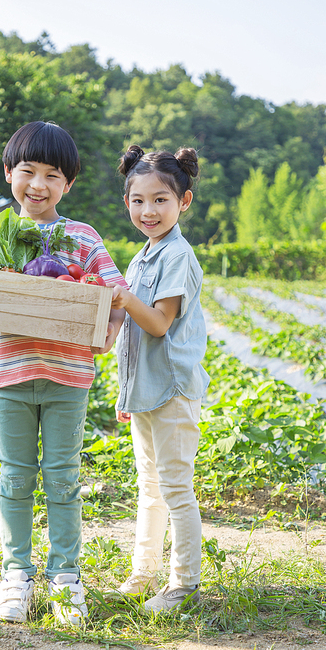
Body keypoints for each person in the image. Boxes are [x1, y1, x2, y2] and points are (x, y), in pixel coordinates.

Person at [0, 121, 127, 626]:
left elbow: (113, 291)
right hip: (9, 373)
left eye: (53, 175)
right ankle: (16, 575)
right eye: (28, 171)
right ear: (10, 173)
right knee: (15, 474)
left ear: (67, 184)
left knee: (64, 476)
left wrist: (111, 326)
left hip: (68, 375)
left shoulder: (81, 238)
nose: (39, 184)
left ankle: (66, 577)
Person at [111, 144, 210, 614]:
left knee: (174, 486)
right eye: (138, 200)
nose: (148, 211)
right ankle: (143, 571)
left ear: (183, 201)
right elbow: (130, 337)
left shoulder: (176, 256)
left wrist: (125, 300)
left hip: (171, 390)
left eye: (160, 200)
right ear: (127, 201)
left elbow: (157, 324)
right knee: (149, 485)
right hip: (145, 391)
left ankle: (184, 582)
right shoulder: (142, 257)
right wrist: (125, 389)